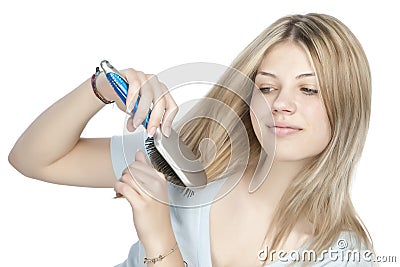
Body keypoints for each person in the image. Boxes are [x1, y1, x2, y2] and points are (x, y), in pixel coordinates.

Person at [8, 13, 375, 266]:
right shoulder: (193, 158)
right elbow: (33, 159)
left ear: (347, 106)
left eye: (309, 89)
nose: (281, 104)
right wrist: (99, 88)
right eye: (266, 86)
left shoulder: (342, 253)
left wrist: (160, 238)